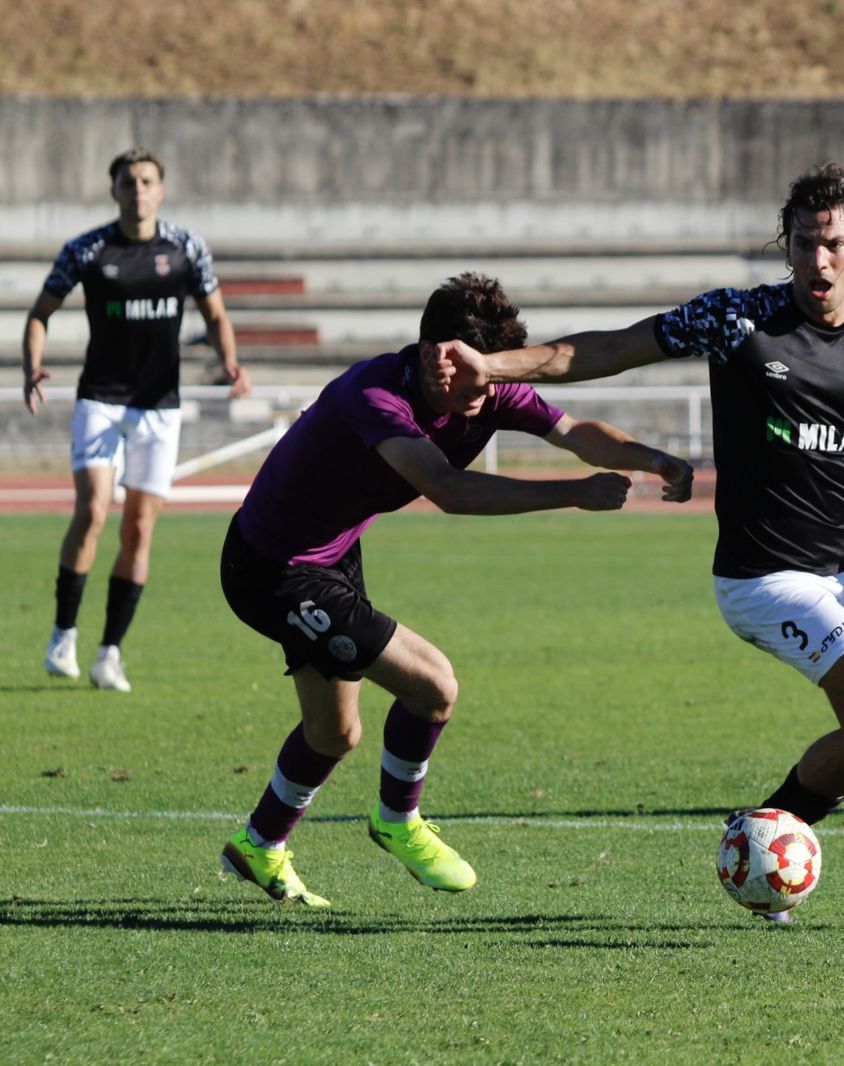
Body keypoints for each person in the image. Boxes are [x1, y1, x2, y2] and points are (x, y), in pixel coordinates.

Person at [433, 164, 844, 913]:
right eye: (802, 243)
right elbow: (606, 350)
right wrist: (493, 366)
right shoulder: (738, 319)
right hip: (763, 579)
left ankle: (762, 837)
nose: (816, 259)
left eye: (833, 244)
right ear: (786, 247)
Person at [217, 273, 694, 906]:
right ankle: (398, 820)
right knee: (434, 686)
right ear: (434, 357)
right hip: (272, 570)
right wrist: (573, 494)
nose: (486, 391)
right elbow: (449, 489)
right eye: (475, 376)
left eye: (493, 374)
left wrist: (651, 458)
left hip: (330, 558)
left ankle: (259, 843)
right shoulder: (374, 395)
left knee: (334, 734)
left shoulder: (482, 383)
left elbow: (574, 430)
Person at [22, 146, 251, 692]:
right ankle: (63, 634)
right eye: (129, 182)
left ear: (161, 190)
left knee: (140, 528)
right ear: (114, 191)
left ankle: (110, 653)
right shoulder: (86, 249)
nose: (138, 190)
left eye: (147, 181)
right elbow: (40, 314)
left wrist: (231, 362)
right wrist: (32, 366)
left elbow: (216, 314)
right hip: (100, 399)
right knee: (93, 510)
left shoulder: (187, 247)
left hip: (158, 406)